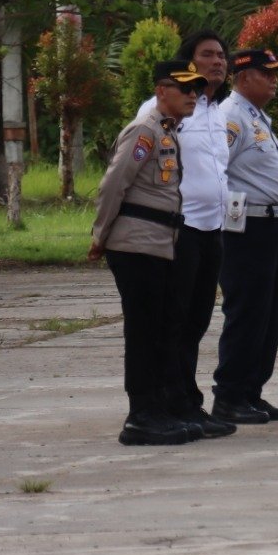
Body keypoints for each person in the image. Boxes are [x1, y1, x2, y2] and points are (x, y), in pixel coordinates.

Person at [91, 59, 209, 446]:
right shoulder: (144, 131)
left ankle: (156, 411)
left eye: (197, 89)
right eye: (185, 88)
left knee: (159, 330)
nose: (193, 95)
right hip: (135, 244)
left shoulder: (166, 131)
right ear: (161, 91)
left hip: (157, 244)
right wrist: (100, 235)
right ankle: (140, 416)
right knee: (143, 332)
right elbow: (114, 184)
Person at [139, 30, 234, 439]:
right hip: (181, 228)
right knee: (174, 320)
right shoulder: (160, 109)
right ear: (189, 62)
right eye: (207, 55)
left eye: (222, 55)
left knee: (197, 321)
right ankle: (171, 402)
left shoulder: (214, 110)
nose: (218, 62)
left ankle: (187, 401)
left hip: (214, 228)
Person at [211, 48, 278, 425]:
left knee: (268, 313)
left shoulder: (256, 115)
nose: (275, 79)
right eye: (267, 73)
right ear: (243, 77)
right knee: (246, 311)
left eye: (277, 73)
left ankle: (250, 390)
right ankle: (230, 394)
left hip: (271, 224)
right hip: (247, 228)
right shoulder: (232, 116)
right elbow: (216, 171)